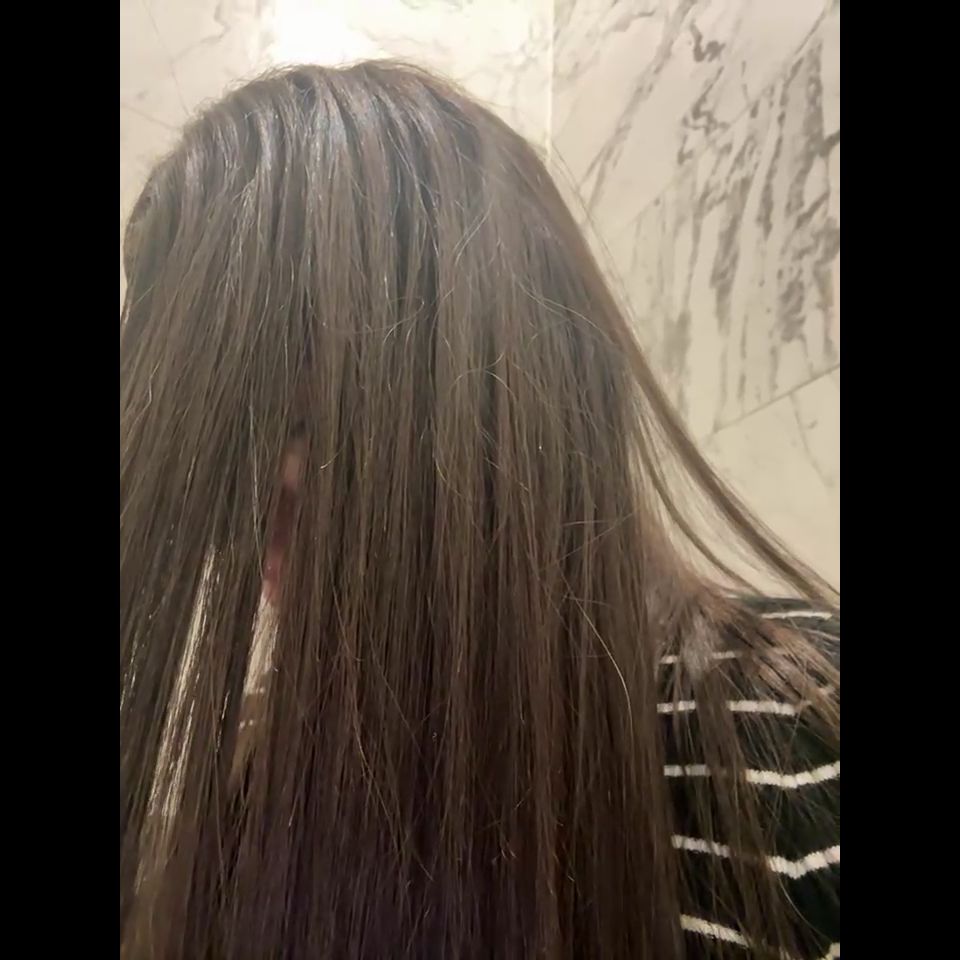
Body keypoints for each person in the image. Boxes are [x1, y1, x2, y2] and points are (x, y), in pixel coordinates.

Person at [120, 62, 839, 960]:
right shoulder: (270, 781)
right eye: (236, 491)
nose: (257, 562)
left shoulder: (797, 731)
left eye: (298, 455)